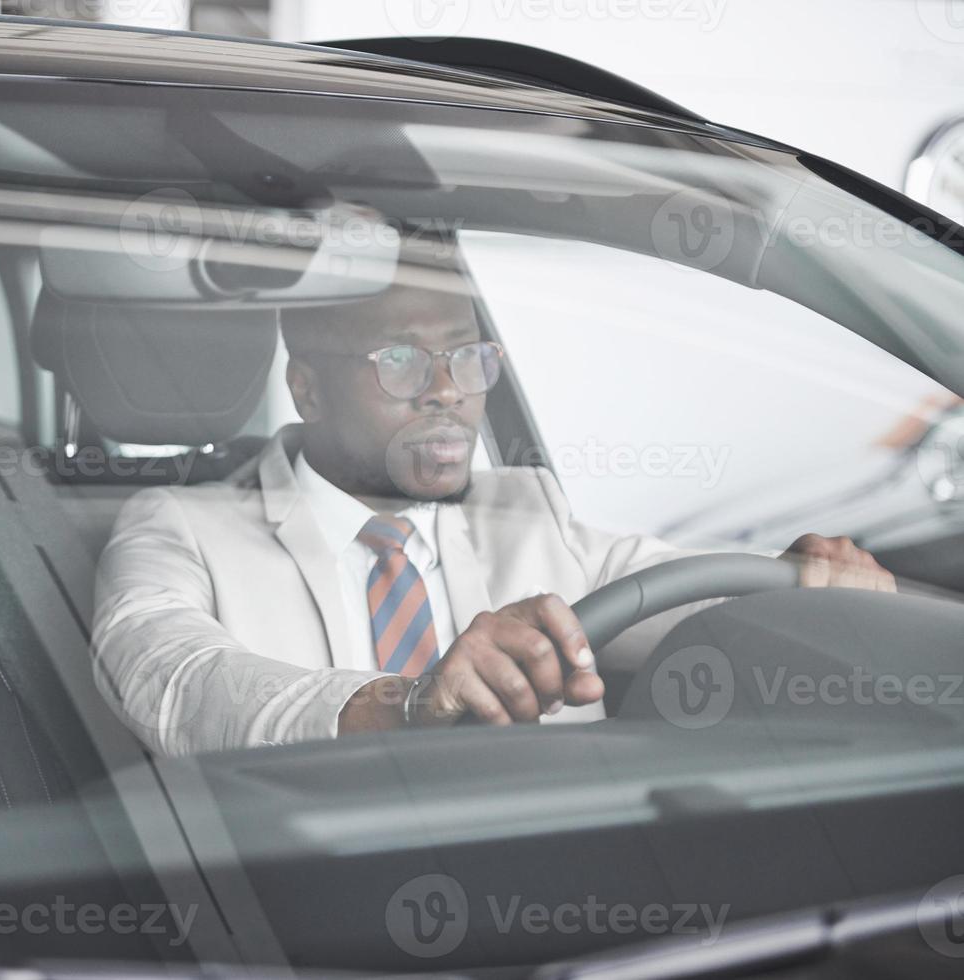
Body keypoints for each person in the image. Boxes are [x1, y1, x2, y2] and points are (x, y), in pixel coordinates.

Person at [91, 245, 896, 757]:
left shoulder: (527, 514)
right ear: (306, 386)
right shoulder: (180, 528)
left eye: (468, 358)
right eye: (401, 360)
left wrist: (812, 593)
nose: (448, 392)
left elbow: (704, 601)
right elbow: (176, 682)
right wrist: (403, 709)